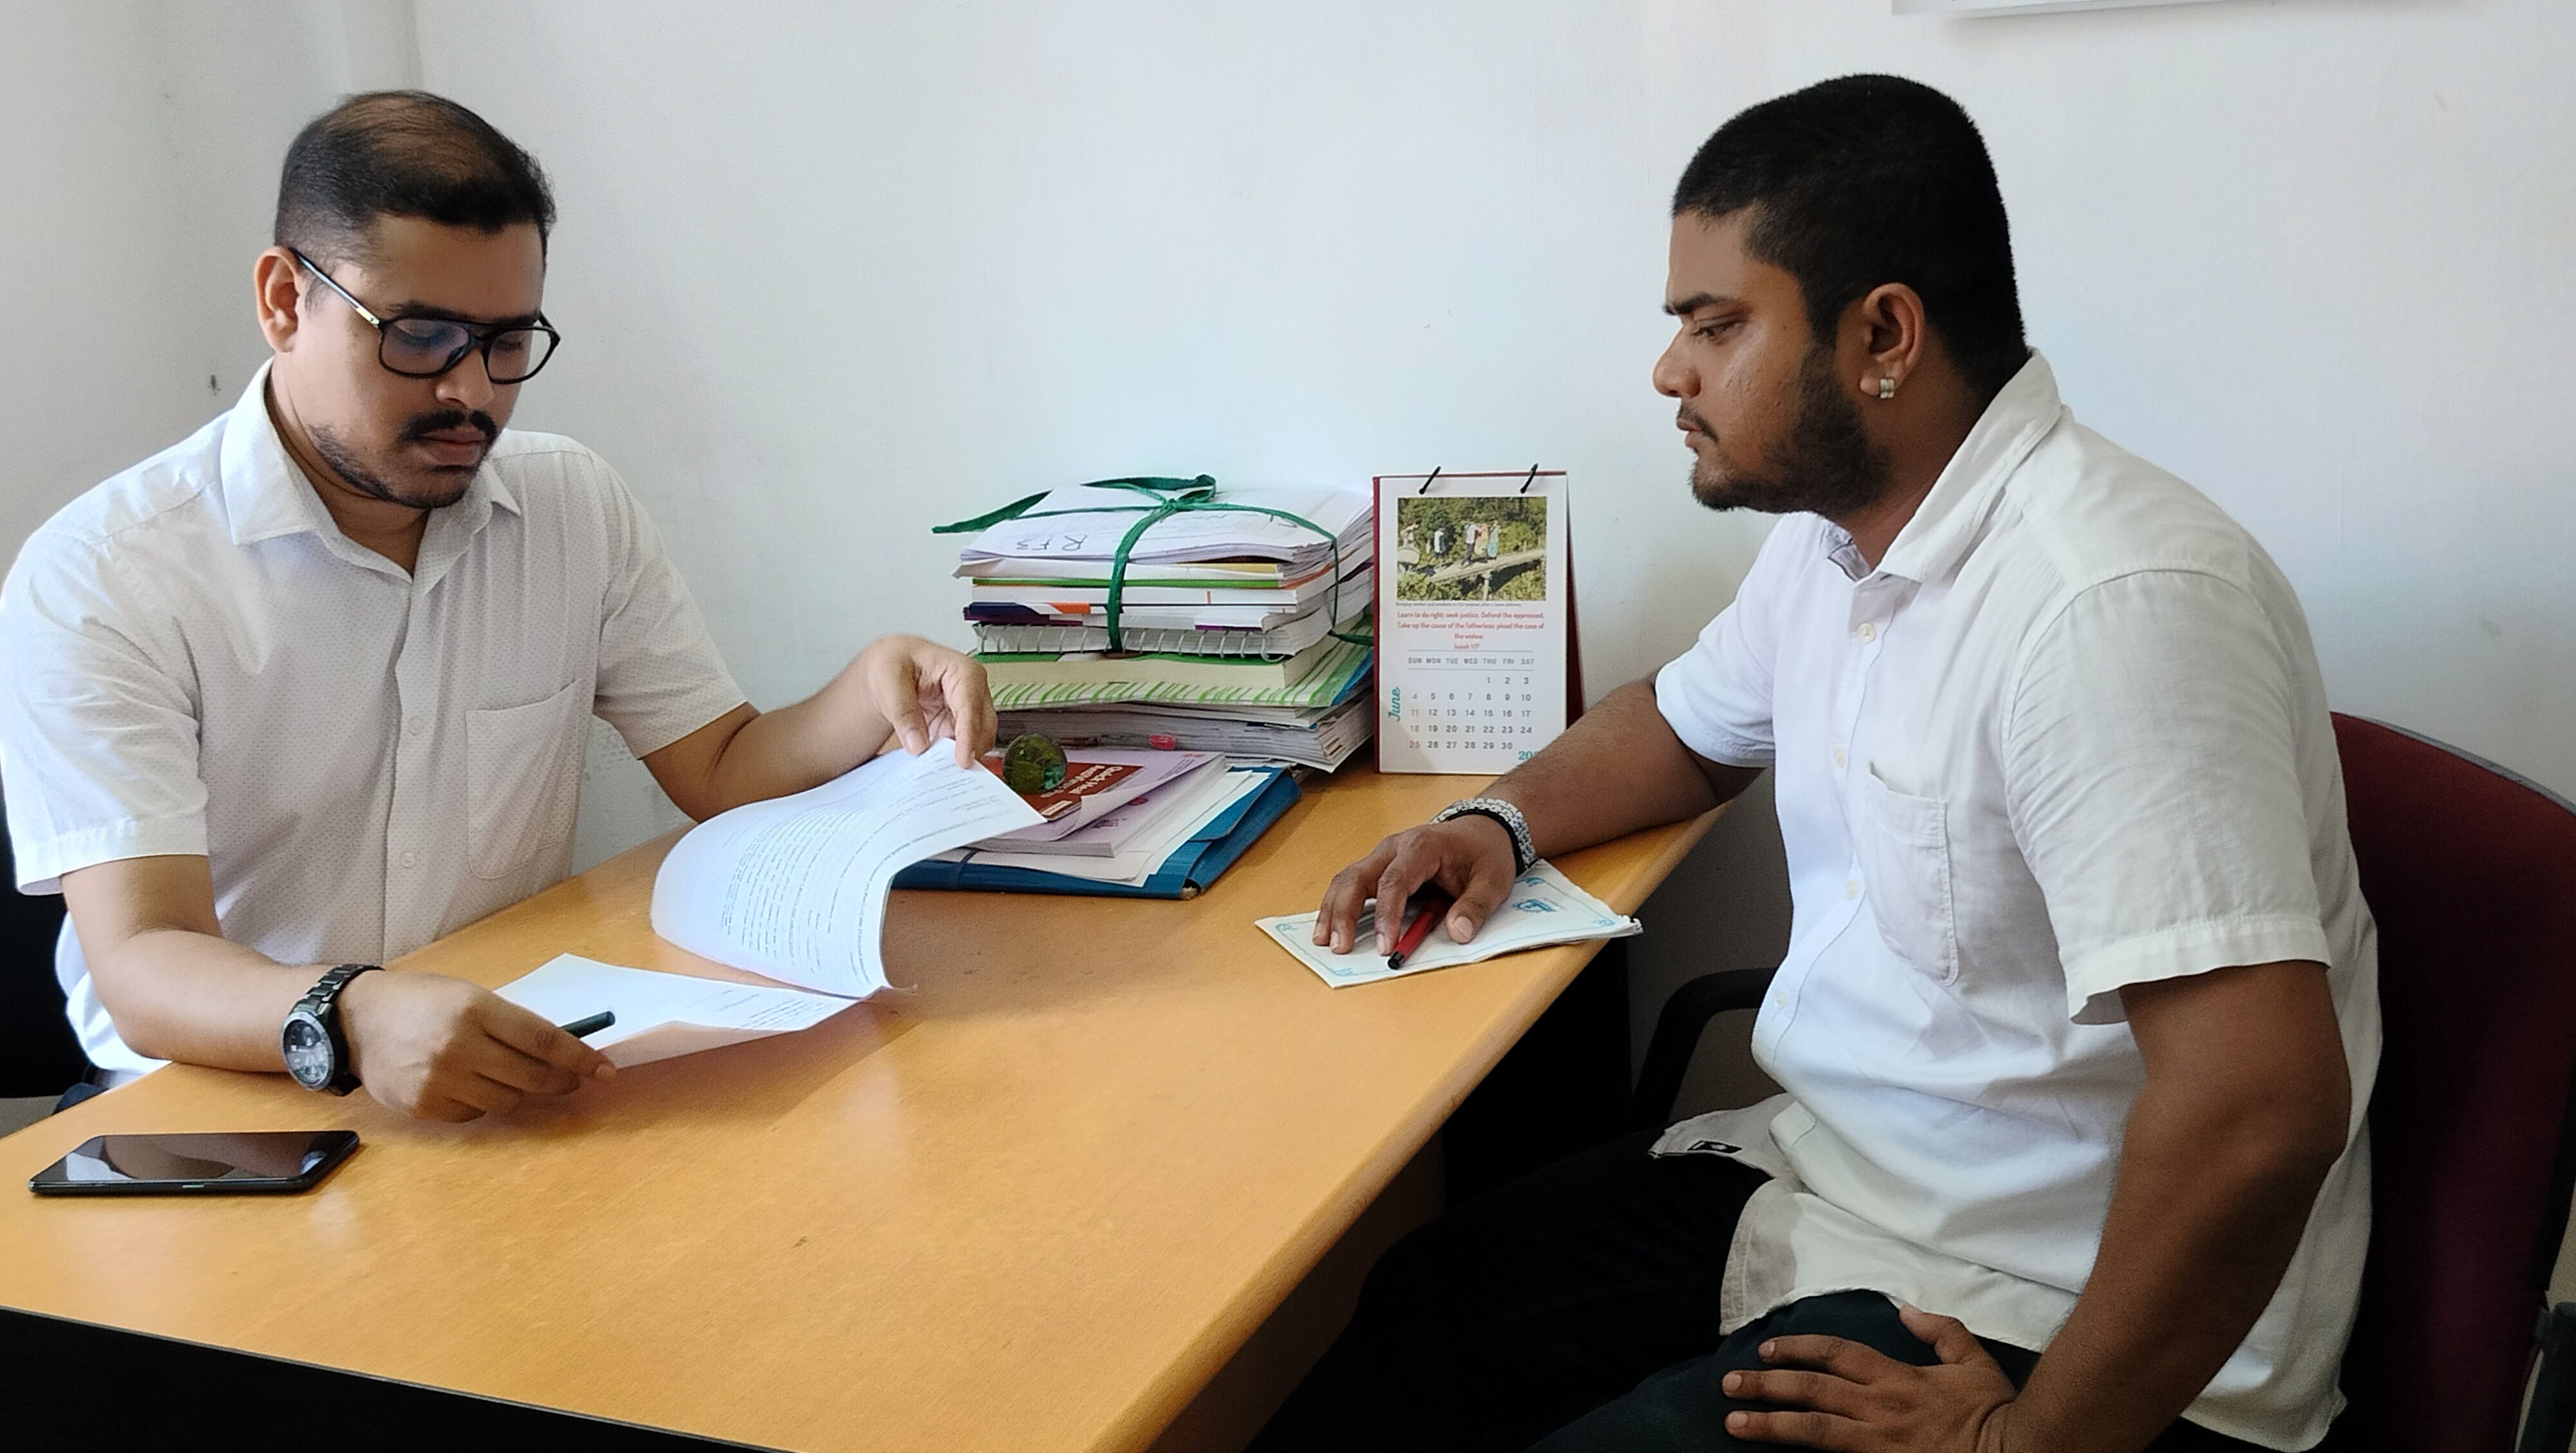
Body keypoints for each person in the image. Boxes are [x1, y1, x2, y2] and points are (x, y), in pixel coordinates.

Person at [1260, 75, 2375, 1453]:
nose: (1670, 373)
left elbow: (2259, 1111)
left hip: (2057, 1312)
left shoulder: (2109, 607)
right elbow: (1681, 728)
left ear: (1881, 335)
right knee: (1423, 1308)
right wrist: (1498, 823)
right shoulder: (1839, 539)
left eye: (1714, 325)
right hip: (1859, 1191)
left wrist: (2020, 1443)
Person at [0, 92, 994, 1123]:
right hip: (228, 1105)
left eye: (507, 341)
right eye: (420, 335)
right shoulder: (107, 575)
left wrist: (865, 694)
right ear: (285, 300)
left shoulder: (571, 506)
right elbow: (145, 957)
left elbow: (721, 766)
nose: (472, 392)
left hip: (502, 1070)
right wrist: (354, 1014)